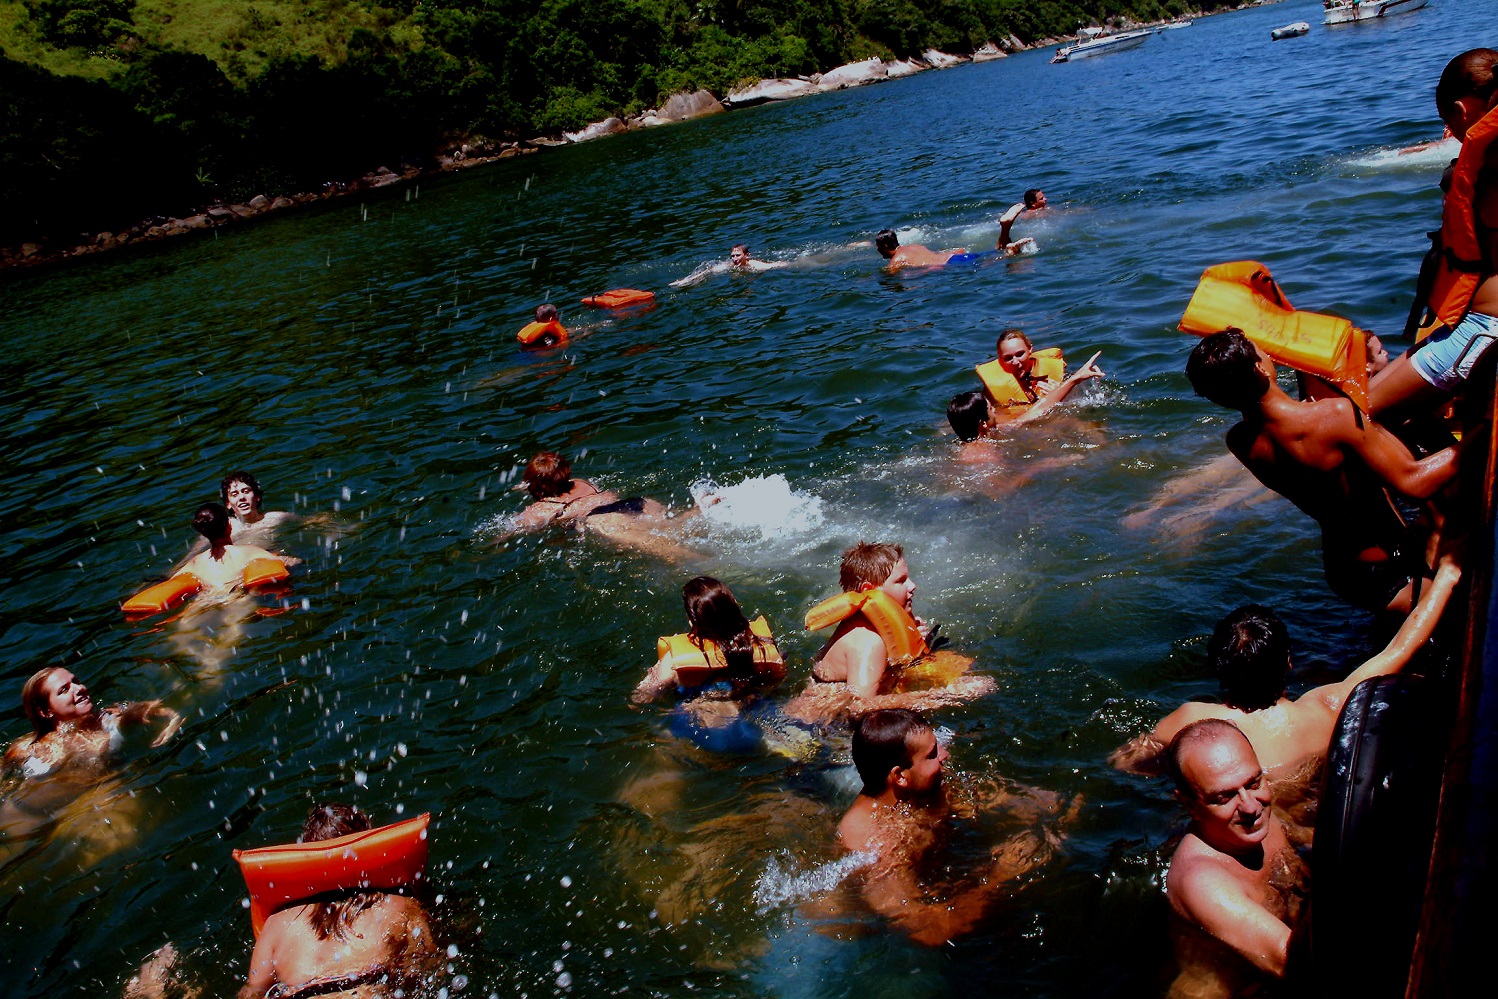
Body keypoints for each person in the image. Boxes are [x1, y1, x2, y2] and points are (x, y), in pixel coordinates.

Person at [1110, 555, 1459, 783]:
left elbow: (1123, 765)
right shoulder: (1328, 710)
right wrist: (1446, 577)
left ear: (1219, 667)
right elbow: (1401, 647)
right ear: (1289, 663)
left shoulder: (1190, 721)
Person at [1186, 327, 1458, 614]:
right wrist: (1482, 437)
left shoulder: (1240, 441)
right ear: (1259, 368)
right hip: (1388, 557)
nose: (1269, 354)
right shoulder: (1334, 415)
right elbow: (1413, 482)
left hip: (1344, 570)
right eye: (1262, 352)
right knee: (1449, 612)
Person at [836, 709, 1074, 946]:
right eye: (931, 754)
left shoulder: (928, 787)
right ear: (899, 776)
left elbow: (1044, 803)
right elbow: (930, 931)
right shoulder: (872, 841)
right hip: (862, 940)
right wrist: (1002, 872)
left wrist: (1084, 792)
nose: (945, 754)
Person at [1369, 49, 1498, 417]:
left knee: (1357, 416)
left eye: (1450, 123)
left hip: (1486, 330)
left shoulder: (1493, 158)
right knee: (1364, 395)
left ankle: (1425, 473)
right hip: (1474, 325)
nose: (1456, 136)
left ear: (1460, 110)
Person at [1164, 719, 1307, 998]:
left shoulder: (1257, 816)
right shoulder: (1203, 881)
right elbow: (1292, 962)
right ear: (1189, 805)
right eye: (1224, 797)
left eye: (1254, 782)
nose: (1251, 807)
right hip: (1226, 987)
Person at [239, 804, 440, 999]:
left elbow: (253, 993)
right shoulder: (398, 906)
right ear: (366, 843)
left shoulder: (277, 924)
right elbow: (430, 968)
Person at [787, 542, 992, 724]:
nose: (912, 586)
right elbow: (859, 707)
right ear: (870, 589)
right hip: (812, 734)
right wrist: (945, 695)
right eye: (901, 581)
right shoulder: (868, 641)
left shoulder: (870, 624)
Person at [633, 577, 787, 752]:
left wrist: (651, 675)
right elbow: (777, 679)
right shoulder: (760, 644)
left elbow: (641, 698)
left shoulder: (673, 661)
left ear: (691, 620)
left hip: (707, 731)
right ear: (734, 607)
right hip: (758, 716)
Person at [4, 667, 180, 778]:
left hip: (100, 795)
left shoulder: (108, 718)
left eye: (76, 682)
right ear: (45, 711)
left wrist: (172, 723)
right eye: (64, 690)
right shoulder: (23, 748)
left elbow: (162, 710)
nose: (79, 688)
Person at [975, 330, 1105, 423]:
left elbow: (1078, 403)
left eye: (1020, 354)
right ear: (1000, 357)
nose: (1015, 362)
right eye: (1008, 358)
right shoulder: (991, 392)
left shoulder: (1054, 374)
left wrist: (1064, 392)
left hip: (1053, 421)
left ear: (1030, 349)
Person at [176, 502, 287, 590]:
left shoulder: (195, 563)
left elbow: (173, 581)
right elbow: (282, 562)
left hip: (202, 602)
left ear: (203, 533)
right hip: (235, 599)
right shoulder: (248, 552)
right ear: (229, 526)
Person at [221, 471, 295, 544]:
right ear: (228, 503)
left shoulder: (276, 519)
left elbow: (305, 522)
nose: (241, 497)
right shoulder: (224, 529)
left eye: (246, 491)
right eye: (234, 494)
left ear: (257, 496)